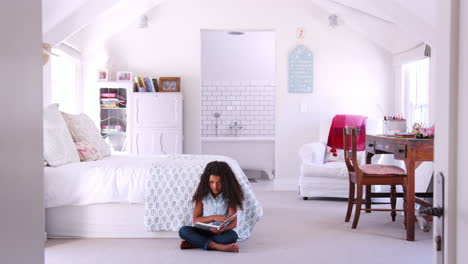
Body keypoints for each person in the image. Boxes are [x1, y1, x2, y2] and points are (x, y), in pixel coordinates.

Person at [178, 161, 245, 253]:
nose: (215, 187)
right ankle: (218, 246)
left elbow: (233, 223)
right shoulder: (201, 196)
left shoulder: (230, 197)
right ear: (206, 181)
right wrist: (213, 217)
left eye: (219, 182)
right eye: (211, 182)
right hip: (203, 230)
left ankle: (195, 242)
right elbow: (196, 220)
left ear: (226, 182)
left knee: (232, 236)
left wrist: (223, 230)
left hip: (220, 232)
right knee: (183, 231)